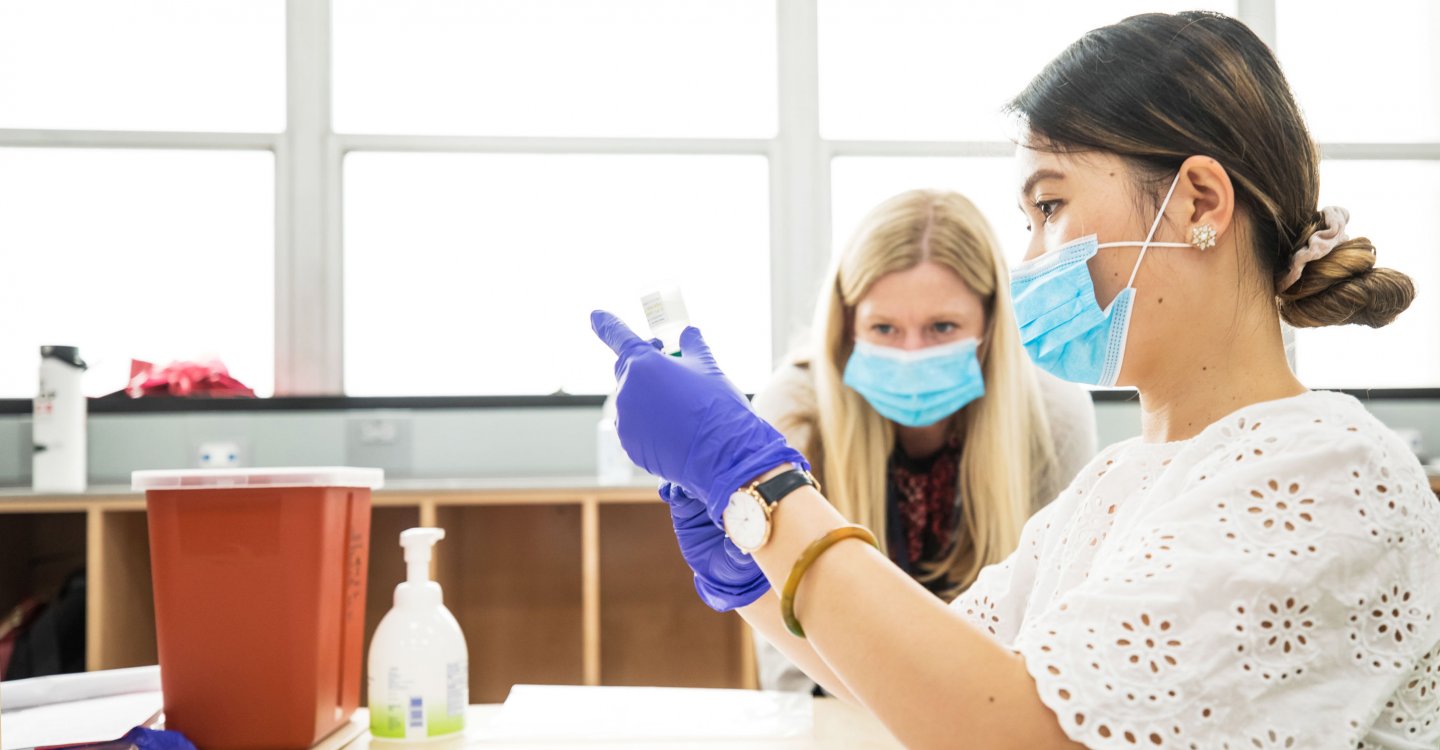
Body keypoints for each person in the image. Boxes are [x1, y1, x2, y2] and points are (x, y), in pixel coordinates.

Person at [592, 11, 1438, 748]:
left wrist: (761, 488)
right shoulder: (1118, 482)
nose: (1030, 259)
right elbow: (933, 683)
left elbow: (1021, 735)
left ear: (1199, 203)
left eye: (1050, 206)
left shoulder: (1327, 470)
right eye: (1027, 219)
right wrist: (750, 569)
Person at [752, 189, 1096, 693]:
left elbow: (1054, 616)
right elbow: (787, 636)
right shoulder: (794, 413)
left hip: (994, 703)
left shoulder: (1052, 414)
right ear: (848, 325)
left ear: (990, 323)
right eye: (884, 327)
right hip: (839, 699)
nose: (911, 353)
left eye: (941, 327)